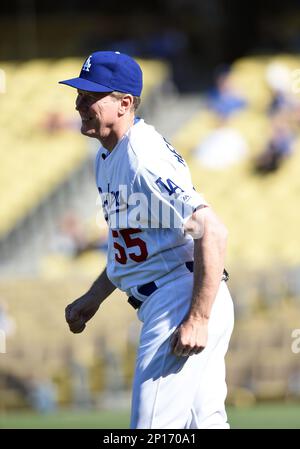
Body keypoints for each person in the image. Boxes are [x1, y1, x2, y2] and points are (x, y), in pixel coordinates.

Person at [60, 51, 234, 429]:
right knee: (203, 425)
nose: (78, 104)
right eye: (79, 94)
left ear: (125, 103)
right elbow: (136, 245)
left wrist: (198, 317)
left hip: (179, 298)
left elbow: (211, 229)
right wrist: (94, 297)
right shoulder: (107, 157)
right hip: (180, 291)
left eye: (90, 96)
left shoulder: (142, 156)